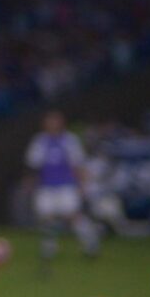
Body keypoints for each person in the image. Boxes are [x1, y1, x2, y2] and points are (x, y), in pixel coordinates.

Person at [27, 109, 100, 265]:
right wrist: (31, 184)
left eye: (55, 121)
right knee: (46, 217)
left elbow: (77, 164)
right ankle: (49, 247)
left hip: (66, 184)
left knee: (72, 215)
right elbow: (34, 165)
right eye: (49, 121)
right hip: (47, 185)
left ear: (61, 123)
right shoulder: (40, 141)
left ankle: (90, 241)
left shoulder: (69, 140)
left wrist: (83, 184)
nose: (52, 124)